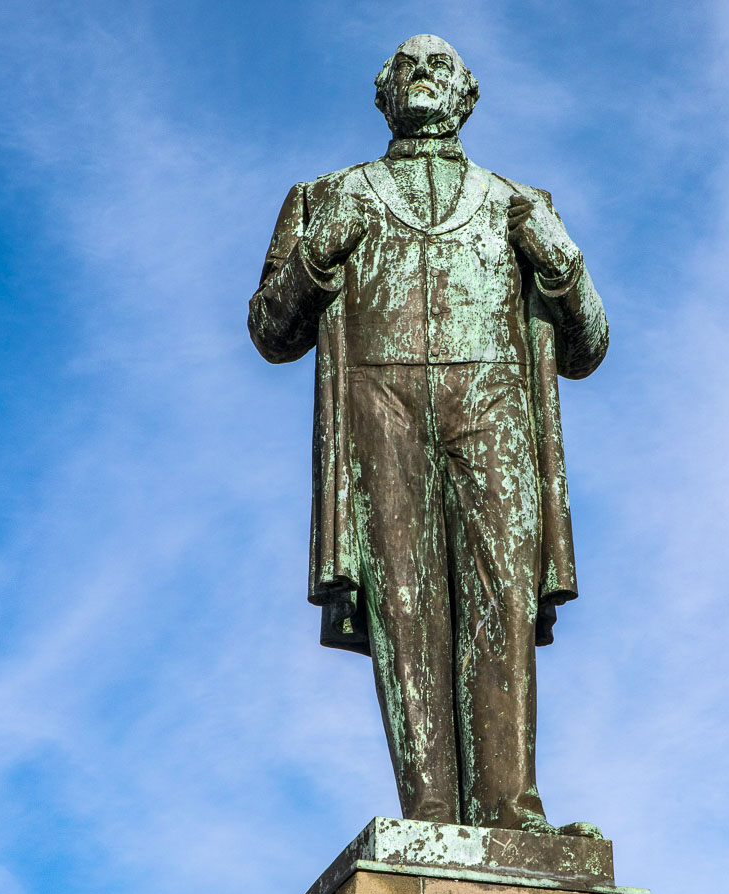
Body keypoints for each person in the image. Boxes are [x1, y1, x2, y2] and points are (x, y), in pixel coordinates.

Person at [248, 34, 608, 836]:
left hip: (493, 406)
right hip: (381, 402)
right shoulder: (327, 195)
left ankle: (512, 814)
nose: (422, 75)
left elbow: (588, 346)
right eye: (407, 66)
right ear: (383, 93)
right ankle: (435, 815)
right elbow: (271, 329)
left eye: (439, 66)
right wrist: (317, 252)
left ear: (466, 95)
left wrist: (561, 261)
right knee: (404, 607)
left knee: (500, 609)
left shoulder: (521, 201)